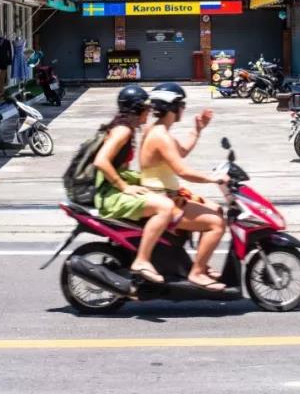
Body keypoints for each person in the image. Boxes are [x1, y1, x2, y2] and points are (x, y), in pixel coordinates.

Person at [140, 83, 228, 292]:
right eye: (182, 104)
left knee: (217, 209)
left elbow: (182, 152)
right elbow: (182, 171)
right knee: (217, 224)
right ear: (172, 107)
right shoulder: (160, 136)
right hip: (164, 200)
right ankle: (196, 272)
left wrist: (197, 130)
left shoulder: (159, 131)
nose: (183, 109)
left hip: (170, 195)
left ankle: (202, 263)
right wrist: (213, 179)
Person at [92, 85, 177, 284]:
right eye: (146, 108)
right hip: (109, 194)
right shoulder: (122, 131)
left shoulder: (126, 127)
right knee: (165, 207)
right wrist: (124, 186)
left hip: (112, 188)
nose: (150, 112)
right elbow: (101, 161)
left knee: (162, 194)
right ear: (136, 109)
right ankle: (142, 260)